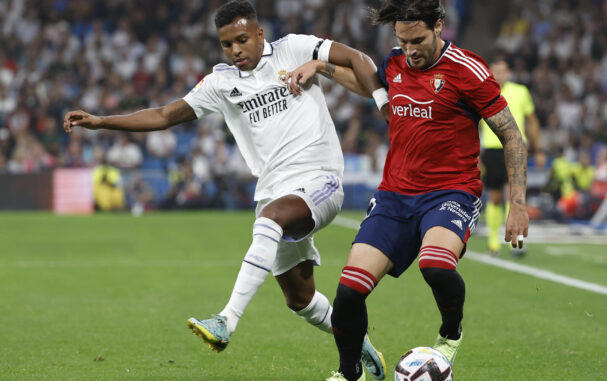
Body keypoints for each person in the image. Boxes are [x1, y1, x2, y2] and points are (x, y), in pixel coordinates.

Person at [63, 1, 388, 378]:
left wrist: (384, 107)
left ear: (259, 34)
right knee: (299, 299)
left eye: (242, 39)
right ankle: (360, 347)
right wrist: (103, 121)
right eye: (226, 44)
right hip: (274, 189)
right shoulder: (220, 82)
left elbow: (358, 58)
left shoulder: (294, 48)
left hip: (321, 180)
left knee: (270, 220)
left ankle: (226, 321)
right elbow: (166, 115)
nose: (235, 50)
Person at [290, 1, 529, 380]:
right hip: (394, 196)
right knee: (349, 292)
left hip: (451, 192)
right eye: (403, 41)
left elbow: (512, 136)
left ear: (439, 26)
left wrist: (518, 203)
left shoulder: (469, 70)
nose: (410, 50)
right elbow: (370, 89)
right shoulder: (396, 61)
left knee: (435, 264)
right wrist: (322, 67)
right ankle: (349, 372)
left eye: (417, 40)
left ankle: (450, 333)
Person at [478, 56, 543, 256]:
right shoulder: (483, 92)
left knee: (514, 194)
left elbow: (532, 120)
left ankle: (515, 242)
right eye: (495, 71)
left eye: (503, 71)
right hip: (492, 148)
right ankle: (493, 243)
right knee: (496, 196)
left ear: (509, 73)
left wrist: (538, 148)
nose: (499, 74)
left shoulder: (520, 92)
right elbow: (475, 123)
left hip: (515, 148)